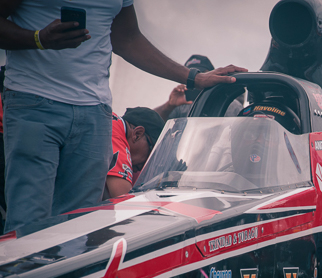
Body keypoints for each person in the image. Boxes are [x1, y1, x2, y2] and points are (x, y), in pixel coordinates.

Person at [0, 2, 246, 233]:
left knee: (78, 230)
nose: (143, 166)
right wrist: (38, 39)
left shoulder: (118, 127)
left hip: (94, 111)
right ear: (137, 134)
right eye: (147, 158)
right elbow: (122, 198)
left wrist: (195, 78)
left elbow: (127, 38)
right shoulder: (119, 133)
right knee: (28, 225)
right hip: (35, 100)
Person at [104, 107, 164, 199]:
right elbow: (124, 201)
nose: (145, 165)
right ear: (137, 134)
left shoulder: (109, 121)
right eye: (152, 154)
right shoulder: (114, 134)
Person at [154, 54, 214, 121]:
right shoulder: (181, 106)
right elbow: (150, 121)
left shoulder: (222, 99)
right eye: (191, 76)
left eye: (201, 75)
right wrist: (169, 105)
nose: (196, 80)